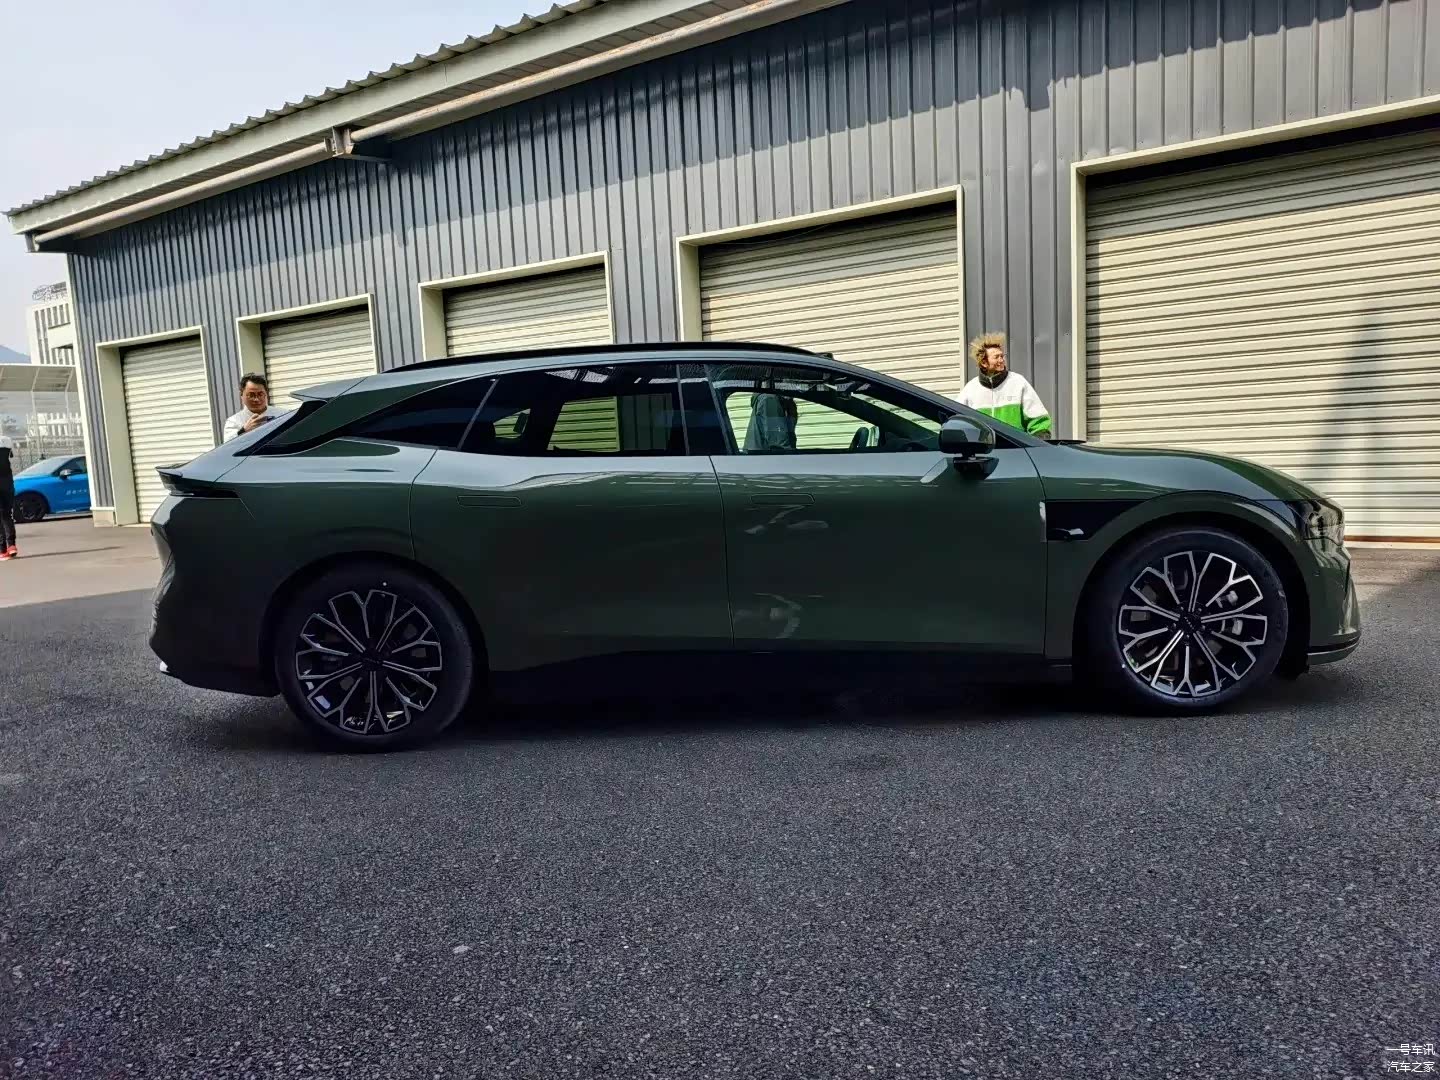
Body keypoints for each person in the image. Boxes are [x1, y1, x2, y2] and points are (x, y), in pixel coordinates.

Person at [956, 332, 1052, 438]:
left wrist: (1040, 440)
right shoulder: (970, 389)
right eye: (996, 357)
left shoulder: (1018, 382)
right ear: (984, 363)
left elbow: (1039, 420)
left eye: (1002, 356)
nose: (1001, 360)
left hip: (1014, 448)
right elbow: (957, 421)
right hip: (983, 448)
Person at [223, 373, 281, 441]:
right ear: (241, 395)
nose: (256, 399)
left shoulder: (282, 414)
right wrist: (244, 430)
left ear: (266, 394)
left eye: (260, 394)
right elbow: (228, 445)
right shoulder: (233, 422)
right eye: (251, 395)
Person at [0, 433, 16, 561]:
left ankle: (2, 550)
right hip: (7, 484)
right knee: (7, 515)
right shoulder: (6, 441)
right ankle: (11, 545)